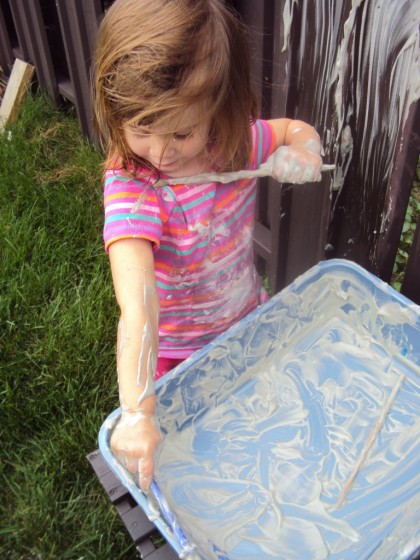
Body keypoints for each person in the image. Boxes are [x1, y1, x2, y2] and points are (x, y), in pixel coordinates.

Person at [92, 0, 323, 492]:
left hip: (246, 319)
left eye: (181, 131)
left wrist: (304, 150)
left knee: (264, 446)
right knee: (201, 467)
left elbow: (290, 130)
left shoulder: (232, 143)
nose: (160, 151)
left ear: (218, 106)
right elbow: (137, 305)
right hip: (175, 355)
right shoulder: (135, 187)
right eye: (141, 128)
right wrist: (137, 412)